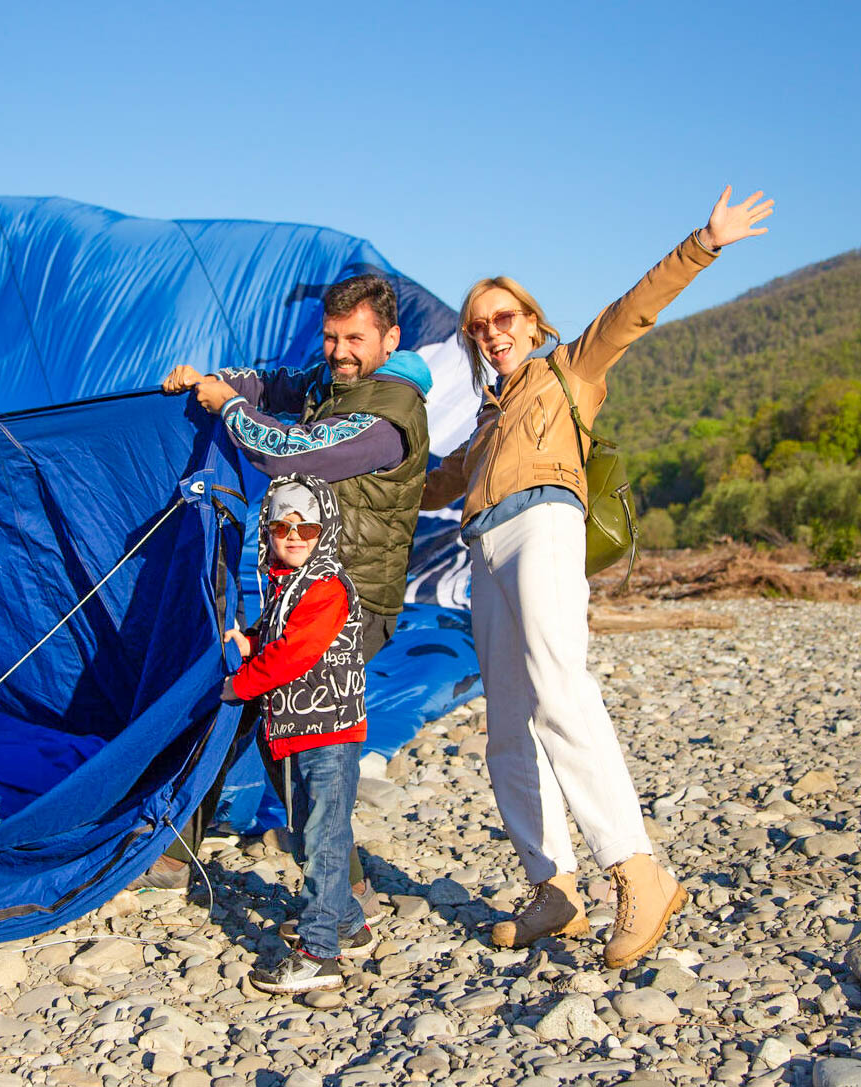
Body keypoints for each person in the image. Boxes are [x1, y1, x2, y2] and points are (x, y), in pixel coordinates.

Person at [421, 187, 774, 967]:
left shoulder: (569, 370)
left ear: (532, 323)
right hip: (482, 550)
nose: (491, 332)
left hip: (544, 525)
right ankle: (554, 888)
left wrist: (703, 241)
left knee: (558, 691)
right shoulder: (484, 422)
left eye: (503, 317)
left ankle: (638, 870)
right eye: (478, 325)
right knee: (506, 726)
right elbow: (432, 485)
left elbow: (630, 311)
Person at [147, 275, 430, 906]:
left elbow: (287, 452)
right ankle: (176, 852)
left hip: (353, 602)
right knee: (249, 698)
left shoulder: (390, 416)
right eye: (331, 337)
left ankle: (339, 890)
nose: (338, 351)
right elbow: (276, 382)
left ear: (390, 339)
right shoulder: (329, 381)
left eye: (354, 338)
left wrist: (226, 407)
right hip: (301, 592)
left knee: (289, 720)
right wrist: (214, 380)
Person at [221, 475, 373, 994]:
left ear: (324, 530)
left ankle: (318, 953)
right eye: (282, 525)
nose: (294, 535)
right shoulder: (288, 584)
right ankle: (348, 924)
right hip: (295, 730)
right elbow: (275, 634)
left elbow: (294, 653)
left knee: (325, 838)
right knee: (313, 832)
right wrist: (249, 640)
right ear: (267, 529)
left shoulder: (326, 584)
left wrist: (239, 686)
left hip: (328, 732)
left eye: (306, 526)